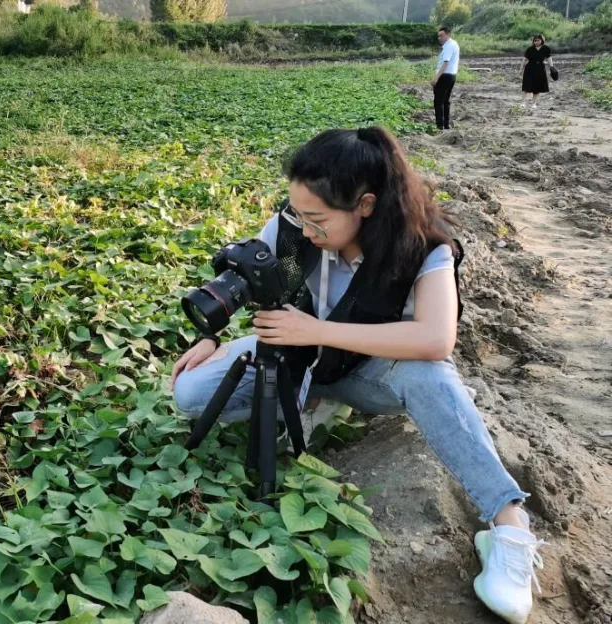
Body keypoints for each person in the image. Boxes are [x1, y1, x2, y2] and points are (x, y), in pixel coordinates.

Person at [171, 127, 545, 624]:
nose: (303, 230)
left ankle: (508, 523)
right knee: (191, 392)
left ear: (365, 205)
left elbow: (436, 339)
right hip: (295, 351)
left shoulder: (423, 247)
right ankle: (310, 400)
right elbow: (249, 273)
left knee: (427, 375)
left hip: (367, 370)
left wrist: (318, 330)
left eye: (317, 220)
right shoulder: (293, 226)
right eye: (297, 213)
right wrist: (210, 336)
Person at [432, 26, 460, 131]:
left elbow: (445, 62)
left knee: (438, 101)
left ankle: (440, 126)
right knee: (445, 101)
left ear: (448, 35)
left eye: (441, 35)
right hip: (452, 75)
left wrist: (436, 78)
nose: (439, 38)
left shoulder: (448, 46)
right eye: (438, 36)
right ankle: (446, 125)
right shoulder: (454, 44)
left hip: (445, 76)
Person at [521, 34, 554, 109]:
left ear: (542, 40)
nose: (536, 42)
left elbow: (549, 59)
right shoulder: (530, 49)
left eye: (538, 40)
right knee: (526, 86)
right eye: (535, 40)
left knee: (537, 87)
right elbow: (524, 59)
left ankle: (533, 103)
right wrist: (521, 68)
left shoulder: (546, 49)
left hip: (540, 69)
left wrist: (552, 67)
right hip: (529, 68)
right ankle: (522, 103)